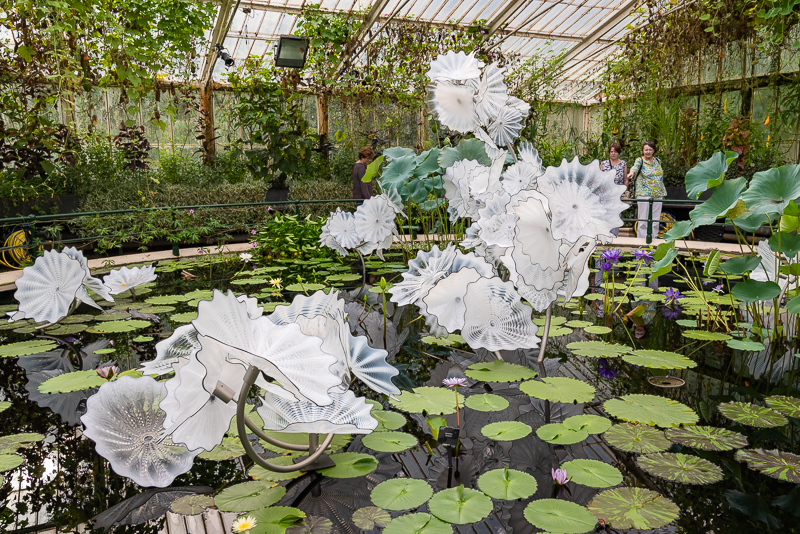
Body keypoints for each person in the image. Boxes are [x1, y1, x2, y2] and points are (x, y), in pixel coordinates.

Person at [626, 141, 666, 240]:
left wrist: (663, 193)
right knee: (643, 219)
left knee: (655, 219)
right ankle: (642, 242)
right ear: (643, 151)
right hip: (644, 193)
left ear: (654, 150)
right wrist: (631, 173)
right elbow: (634, 168)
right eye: (646, 150)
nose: (648, 152)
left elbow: (660, 177)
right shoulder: (640, 160)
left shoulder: (657, 160)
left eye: (650, 150)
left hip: (658, 193)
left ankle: (653, 240)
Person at [599, 141, 628, 237]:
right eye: (611, 151)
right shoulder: (603, 164)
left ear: (618, 153)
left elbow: (625, 179)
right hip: (605, 194)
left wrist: (625, 191)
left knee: (616, 215)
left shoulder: (623, 164)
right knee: (605, 215)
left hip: (617, 194)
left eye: (615, 151)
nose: (613, 153)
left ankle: (614, 237)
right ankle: (604, 236)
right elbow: (599, 179)